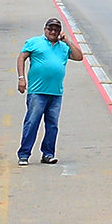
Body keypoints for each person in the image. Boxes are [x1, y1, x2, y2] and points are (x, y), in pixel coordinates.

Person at [19, 16, 74, 164]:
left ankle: (48, 154)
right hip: (37, 92)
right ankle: (24, 154)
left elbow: (79, 56)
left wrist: (67, 41)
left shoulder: (63, 47)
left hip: (56, 93)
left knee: (52, 125)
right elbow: (21, 58)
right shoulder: (34, 42)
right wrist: (21, 78)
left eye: (56, 29)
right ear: (45, 29)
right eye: (50, 28)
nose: (53, 31)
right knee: (32, 123)